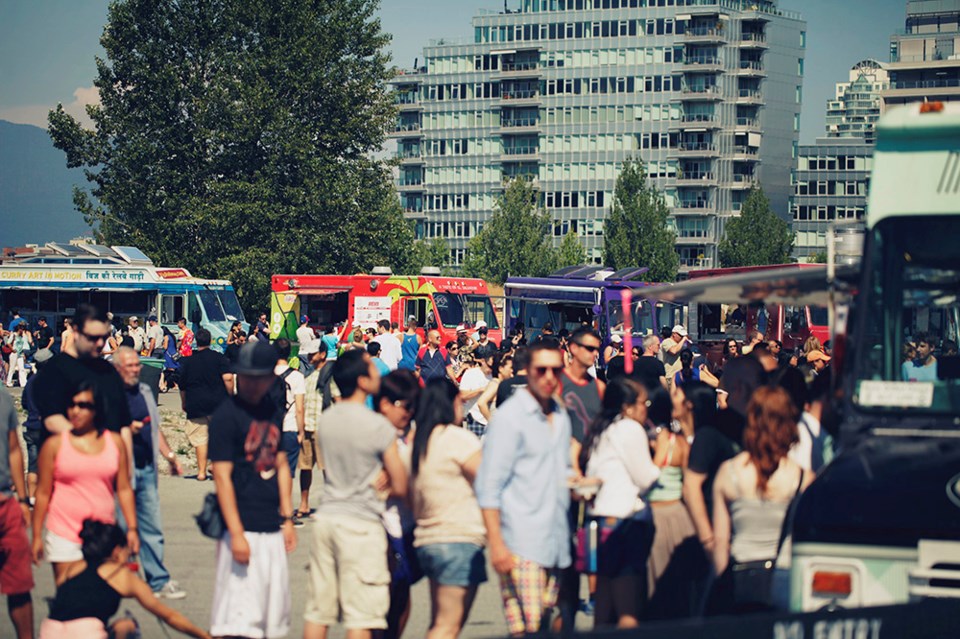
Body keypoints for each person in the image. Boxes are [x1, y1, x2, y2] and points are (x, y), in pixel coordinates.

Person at [304, 349, 408, 639]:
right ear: (362, 381)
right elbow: (400, 484)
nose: (378, 373)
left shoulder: (329, 419)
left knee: (318, 611)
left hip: (327, 518)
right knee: (361, 616)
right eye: (372, 370)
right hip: (362, 524)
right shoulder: (378, 425)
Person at [475, 341, 573, 637]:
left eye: (555, 370)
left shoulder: (560, 413)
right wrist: (497, 544)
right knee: (534, 628)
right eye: (541, 370)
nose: (548, 376)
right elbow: (488, 485)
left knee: (535, 627)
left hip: (556, 540)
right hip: (521, 542)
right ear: (526, 372)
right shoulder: (510, 418)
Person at [208, 340, 298, 639]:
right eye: (244, 375)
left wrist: (287, 518)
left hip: (271, 526)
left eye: (256, 376)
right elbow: (221, 476)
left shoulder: (271, 409)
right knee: (236, 618)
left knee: (269, 616)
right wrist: (235, 533)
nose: (248, 382)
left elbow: (282, 463)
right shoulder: (226, 415)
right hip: (242, 527)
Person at [711, 387, 815, 614]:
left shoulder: (729, 473)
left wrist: (722, 585)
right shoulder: (804, 479)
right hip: (787, 581)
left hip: (740, 583)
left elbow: (720, 543)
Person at [32, 383, 139, 583]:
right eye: (71, 405)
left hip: (104, 533)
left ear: (97, 408)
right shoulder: (54, 446)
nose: (75, 411)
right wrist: (36, 534)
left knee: (100, 600)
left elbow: (124, 489)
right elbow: (43, 493)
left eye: (83, 405)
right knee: (68, 600)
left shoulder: (114, 443)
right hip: (64, 531)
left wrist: (132, 529)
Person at [40, 519, 210, 639]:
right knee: (127, 625)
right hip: (86, 633)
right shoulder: (120, 575)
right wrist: (203, 636)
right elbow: (169, 616)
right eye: (126, 550)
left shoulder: (73, 568)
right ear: (116, 551)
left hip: (50, 631)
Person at [579, 377, 660, 629]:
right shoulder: (629, 429)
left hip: (601, 519)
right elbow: (646, 478)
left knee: (604, 602)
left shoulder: (603, 428)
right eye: (642, 402)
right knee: (628, 607)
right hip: (624, 521)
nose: (646, 407)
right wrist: (664, 453)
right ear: (627, 406)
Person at [683, 357, 765, 596]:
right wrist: (709, 540)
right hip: (718, 540)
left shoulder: (762, 428)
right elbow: (691, 486)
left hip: (752, 539)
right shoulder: (713, 431)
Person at [411, 379, 486, 639]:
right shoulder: (458, 439)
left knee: (439, 622)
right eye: (459, 400)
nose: (463, 404)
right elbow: (488, 481)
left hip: (427, 539)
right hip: (459, 537)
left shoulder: (419, 439)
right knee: (448, 626)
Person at [112, 347, 187, 599]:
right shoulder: (109, 396)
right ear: (117, 368)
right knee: (121, 527)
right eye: (130, 366)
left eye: (137, 365)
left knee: (152, 526)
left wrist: (171, 456)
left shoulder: (144, 391)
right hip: (121, 471)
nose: (136, 370)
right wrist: (123, 429)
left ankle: (158, 580)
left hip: (146, 468)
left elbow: (155, 429)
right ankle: (121, 578)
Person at [647, 381, 716, 620]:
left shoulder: (706, 440)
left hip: (693, 524)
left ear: (689, 404)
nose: (671, 396)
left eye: (676, 393)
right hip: (683, 520)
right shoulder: (672, 437)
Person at [375, 370, 421, 639]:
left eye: (413, 405)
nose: (409, 412)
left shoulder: (414, 435)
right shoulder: (371, 434)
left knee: (403, 592)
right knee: (381, 598)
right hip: (377, 525)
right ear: (385, 403)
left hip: (406, 524)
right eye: (405, 405)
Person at [0, 385, 33, 639]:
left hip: (6, 502)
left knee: (19, 583)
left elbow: (13, 449)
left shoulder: (2, 397)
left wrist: (22, 500)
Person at [178, 327, 233, 481]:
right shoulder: (220, 359)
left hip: (196, 404)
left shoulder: (189, 362)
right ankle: (215, 467)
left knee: (200, 439)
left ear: (196, 341)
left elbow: (182, 386)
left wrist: (184, 403)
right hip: (218, 404)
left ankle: (201, 472)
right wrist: (232, 396)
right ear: (210, 341)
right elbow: (228, 378)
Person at [297, 349, 331, 520]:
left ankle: (330, 505)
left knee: (327, 469)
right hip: (307, 426)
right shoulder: (308, 378)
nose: (309, 356)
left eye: (313, 353)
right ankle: (304, 503)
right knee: (305, 467)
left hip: (323, 427)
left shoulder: (330, 377)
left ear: (323, 354)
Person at [273, 339, 306, 496]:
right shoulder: (297, 377)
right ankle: (285, 509)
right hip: (289, 427)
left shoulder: (266, 374)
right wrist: (301, 432)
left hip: (268, 429)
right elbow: (300, 408)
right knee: (287, 473)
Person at [21, 348, 54, 502]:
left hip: (31, 426)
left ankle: (32, 497)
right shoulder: (51, 381)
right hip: (46, 427)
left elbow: (24, 403)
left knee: (33, 465)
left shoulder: (30, 381)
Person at [459, 352, 494, 438]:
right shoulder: (470, 374)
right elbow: (463, 396)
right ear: (482, 361)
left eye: (493, 367)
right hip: (475, 418)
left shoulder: (495, 375)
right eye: (489, 366)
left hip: (491, 419)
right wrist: (481, 390)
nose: (490, 369)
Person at [476, 353, 513, 423]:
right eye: (510, 368)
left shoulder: (501, 384)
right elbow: (481, 403)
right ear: (501, 369)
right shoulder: (495, 384)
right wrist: (492, 422)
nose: (512, 371)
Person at [5, 323, 33, 388]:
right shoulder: (14, 335)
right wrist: (12, 349)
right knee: (12, 368)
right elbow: (8, 343)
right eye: (21, 329)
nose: (22, 330)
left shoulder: (22, 336)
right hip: (14, 353)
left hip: (20, 353)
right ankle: (8, 382)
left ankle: (23, 382)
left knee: (21, 368)